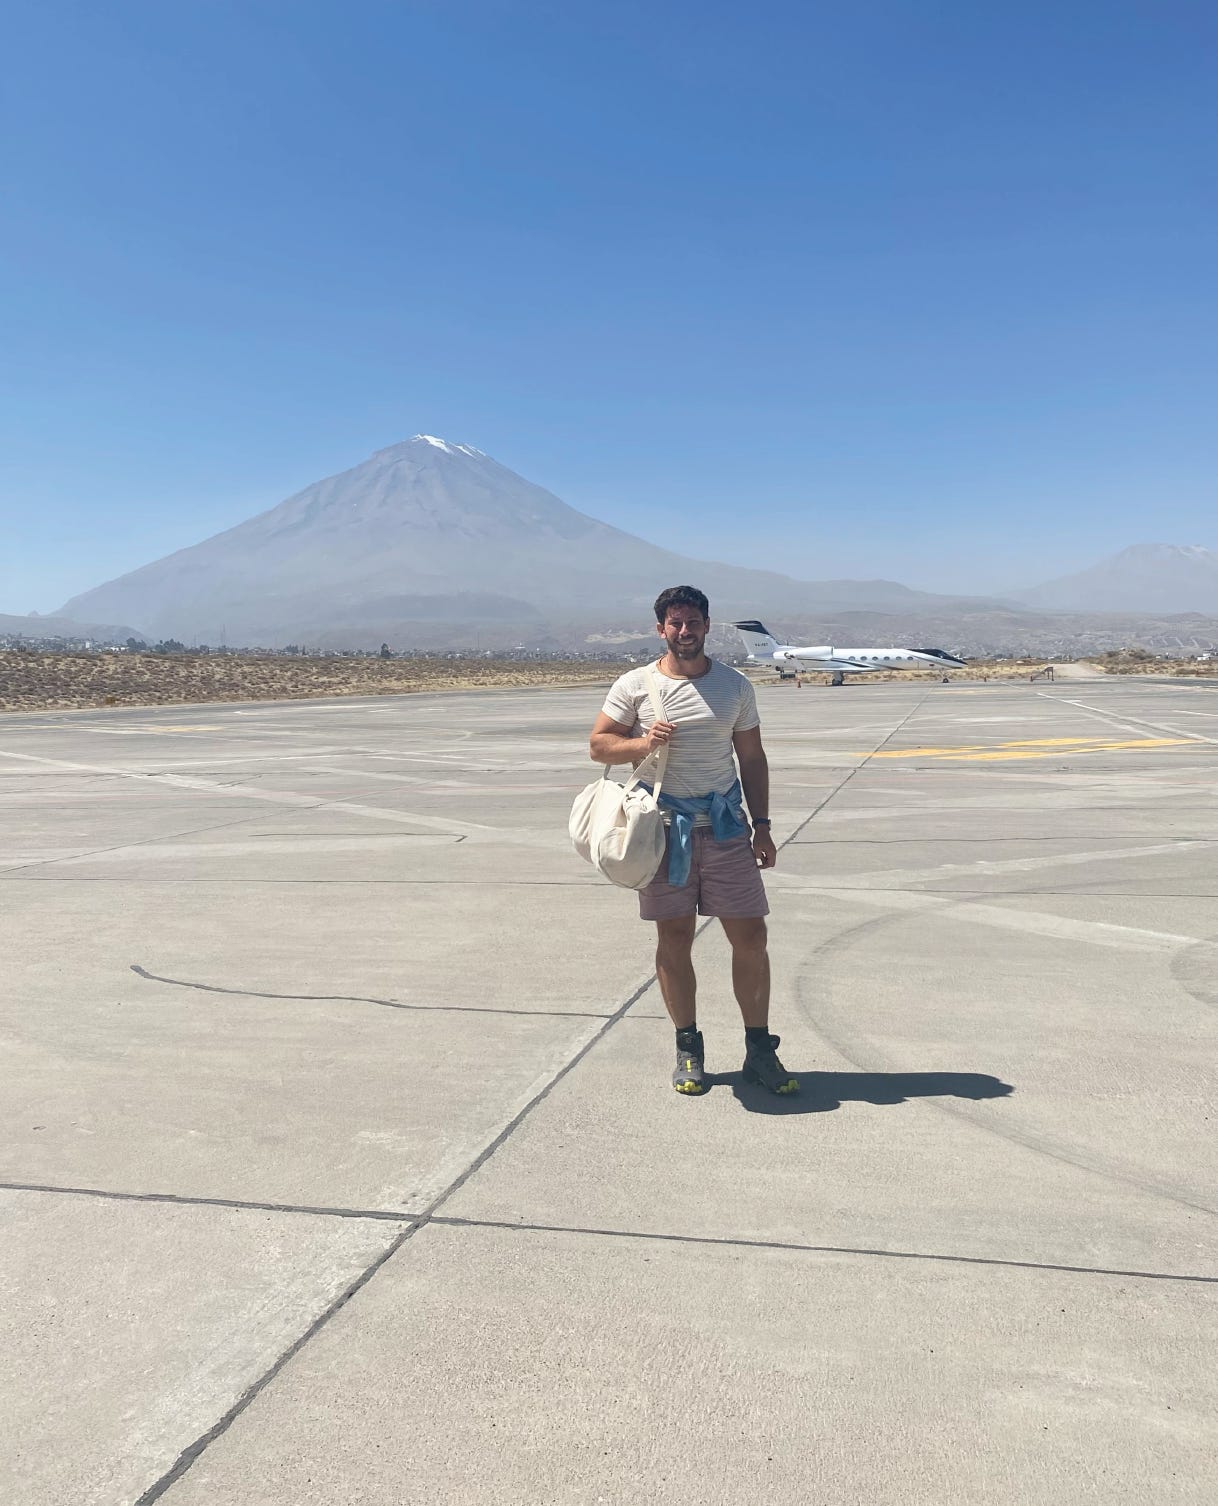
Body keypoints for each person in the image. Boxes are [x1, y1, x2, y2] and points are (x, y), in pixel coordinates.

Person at [588, 585, 798, 1097]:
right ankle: (688, 1047)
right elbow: (598, 745)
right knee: (674, 939)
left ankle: (758, 1050)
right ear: (661, 628)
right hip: (662, 833)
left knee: (751, 939)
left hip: (727, 830)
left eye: (694, 622)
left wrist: (763, 825)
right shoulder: (634, 685)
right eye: (675, 623)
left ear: (707, 625)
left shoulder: (735, 687)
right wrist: (642, 742)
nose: (685, 631)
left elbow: (751, 758)